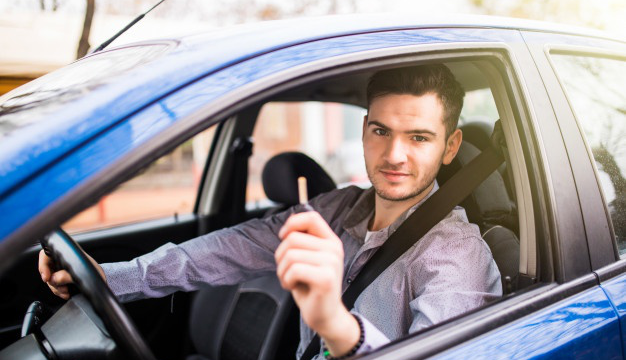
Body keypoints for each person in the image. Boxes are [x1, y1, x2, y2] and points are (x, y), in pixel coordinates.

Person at [39, 64, 502, 359]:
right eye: (381, 131)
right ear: (364, 130)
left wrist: (337, 325)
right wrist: (110, 278)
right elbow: (231, 248)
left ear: (450, 147)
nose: (394, 154)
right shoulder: (340, 207)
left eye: (419, 137)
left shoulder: (457, 257)